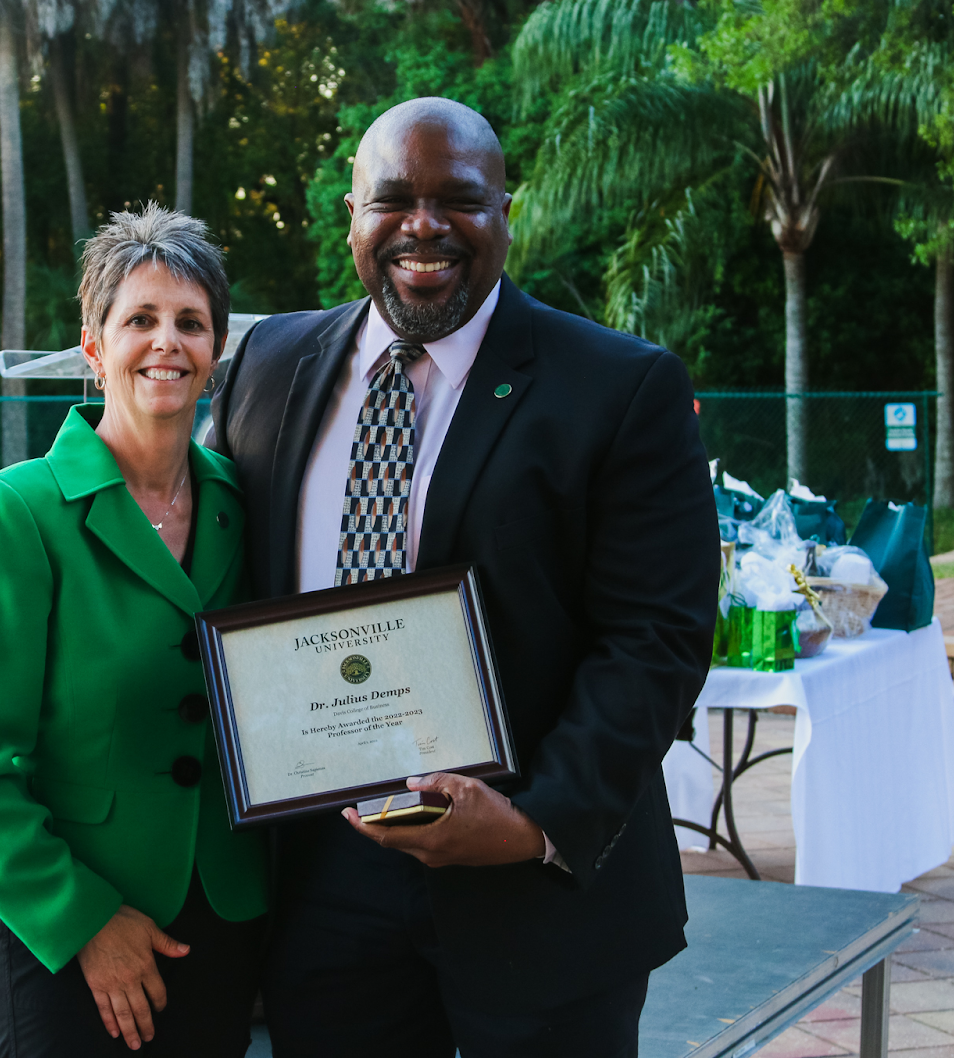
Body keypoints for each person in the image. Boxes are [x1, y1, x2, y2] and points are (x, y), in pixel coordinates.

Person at [207, 98, 718, 1056]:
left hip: (535, 882)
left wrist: (532, 824)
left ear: (505, 212)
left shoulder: (618, 388)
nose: (424, 225)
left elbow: (658, 638)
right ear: (352, 215)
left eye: (459, 199)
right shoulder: (266, 365)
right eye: (393, 198)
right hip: (326, 868)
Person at [0, 202, 266, 1057]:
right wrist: (84, 922)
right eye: (140, 320)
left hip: (218, 921)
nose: (167, 343)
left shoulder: (243, 501)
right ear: (93, 346)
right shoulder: (14, 511)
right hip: (60, 930)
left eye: (191, 323)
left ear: (216, 351)